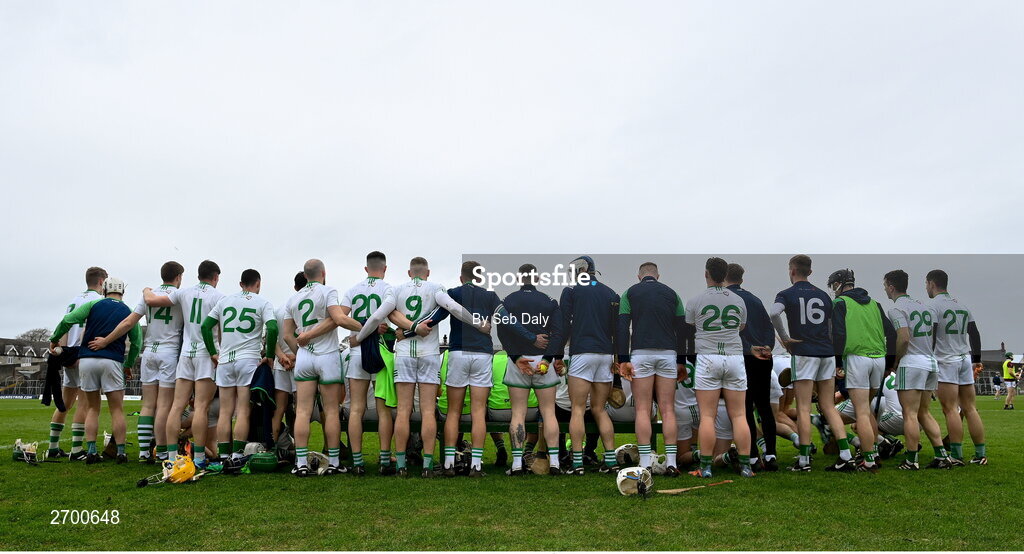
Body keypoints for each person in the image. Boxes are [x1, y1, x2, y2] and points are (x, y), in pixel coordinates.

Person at [351, 256, 489, 477]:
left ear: (409, 273)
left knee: (403, 411)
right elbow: (453, 307)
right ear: (428, 272)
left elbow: (380, 315)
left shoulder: (396, 290)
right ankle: (426, 465)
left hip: (405, 353)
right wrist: (478, 324)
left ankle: (401, 465)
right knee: (427, 412)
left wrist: (359, 337)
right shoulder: (436, 287)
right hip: (429, 354)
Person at [107, 260, 223, 468]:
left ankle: (157, 454)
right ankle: (192, 457)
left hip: (158, 352)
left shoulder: (179, 294)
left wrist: (144, 289)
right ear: (179, 277)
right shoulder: (214, 297)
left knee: (162, 406)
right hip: (189, 354)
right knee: (192, 407)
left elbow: (144, 307)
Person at [300, 251, 395, 475]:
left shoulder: (353, 289)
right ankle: (384, 460)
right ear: (385, 268)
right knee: (383, 411)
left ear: (365, 269)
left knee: (356, 409)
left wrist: (357, 333)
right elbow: (391, 320)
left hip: (357, 351)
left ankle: (358, 462)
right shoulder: (388, 288)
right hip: (380, 350)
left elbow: (338, 318)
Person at [93, 261, 184, 462]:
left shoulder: (148, 294)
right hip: (169, 353)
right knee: (163, 406)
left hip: (149, 353)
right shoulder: (180, 295)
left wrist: (106, 341)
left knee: (148, 405)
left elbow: (127, 323)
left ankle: (143, 452)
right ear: (178, 277)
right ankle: (160, 452)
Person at [771, 255, 851, 472]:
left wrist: (785, 338)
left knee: (804, 408)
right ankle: (845, 453)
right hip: (826, 353)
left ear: (792, 270)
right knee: (828, 406)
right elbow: (832, 327)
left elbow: (774, 313)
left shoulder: (786, 294)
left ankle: (804, 459)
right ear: (810, 272)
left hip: (805, 353)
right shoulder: (824, 295)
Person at [49, 278, 142, 464]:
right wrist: (128, 365)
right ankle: (121, 452)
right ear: (123, 291)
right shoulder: (128, 311)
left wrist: (55, 338)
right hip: (112, 361)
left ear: (105, 289)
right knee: (117, 410)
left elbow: (68, 320)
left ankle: (91, 451)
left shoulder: (93, 304)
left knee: (92, 408)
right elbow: (137, 343)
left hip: (87, 360)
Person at [283, 259, 362, 477]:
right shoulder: (329, 291)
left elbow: (288, 334)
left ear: (305, 275)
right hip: (327, 355)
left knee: (302, 411)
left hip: (305, 358)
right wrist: (363, 326)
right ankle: (334, 461)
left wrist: (301, 351)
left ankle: (300, 463)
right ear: (323, 273)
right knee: (331, 411)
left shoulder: (293, 297)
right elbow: (338, 319)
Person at [548, 256, 620, 475]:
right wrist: (617, 361)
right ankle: (610, 460)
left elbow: (564, 324)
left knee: (578, 409)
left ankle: (577, 462)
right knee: (599, 409)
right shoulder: (610, 293)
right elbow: (617, 330)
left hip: (582, 352)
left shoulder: (571, 291)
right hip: (605, 354)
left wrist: (558, 354)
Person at [616, 261, 687, 476]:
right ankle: (672, 462)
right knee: (667, 409)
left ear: (639, 276)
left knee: (643, 409)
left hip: (641, 353)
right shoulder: (672, 294)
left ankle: (646, 462)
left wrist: (623, 359)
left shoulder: (629, 293)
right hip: (667, 354)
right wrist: (681, 360)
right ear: (658, 275)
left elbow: (622, 328)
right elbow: (682, 330)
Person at [201, 269, 277, 467]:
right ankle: (237, 455)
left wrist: (212, 352)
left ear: (240, 283)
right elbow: (273, 328)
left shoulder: (224, 301)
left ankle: (224, 456)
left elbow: (205, 326)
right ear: (258, 284)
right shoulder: (263, 302)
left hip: (225, 360)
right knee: (242, 410)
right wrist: (269, 356)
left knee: (225, 411)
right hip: (248, 360)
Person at [685, 257, 753, 478]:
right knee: (739, 415)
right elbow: (741, 326)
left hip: (708, 358)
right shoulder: (738, 299)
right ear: (725, 275)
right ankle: (745, 466)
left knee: (707, 416)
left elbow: (690, 325)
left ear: (707, 274)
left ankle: (705, 467)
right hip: (733, 357)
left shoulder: (695, 300)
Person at [882, 269, 952, 470]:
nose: (885, 289)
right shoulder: (924, 307)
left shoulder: (896, 309)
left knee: (910, 414)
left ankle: (911, 460)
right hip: (930, 362)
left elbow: (903, 338)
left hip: (911, 363)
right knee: (924, 413)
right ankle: (942, 456)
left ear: (892, 287)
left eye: (885, 286)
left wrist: (895, 361)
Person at [828, 267, 894, 472]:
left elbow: (838, 335)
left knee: (862, 412)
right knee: (868, 411)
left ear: (839, 284)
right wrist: (890, 363)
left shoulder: (839, 303)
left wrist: (838, 363)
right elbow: (891, 335)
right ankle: (873, 452)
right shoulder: (876, 304)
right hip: (879, 359)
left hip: (857, 358)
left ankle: (869, 460)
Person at [500, 264, 562, 476]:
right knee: (549, 412)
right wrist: (547, 358)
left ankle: (517, 465)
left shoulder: (508, 300)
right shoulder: (549, 301)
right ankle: (554, 463)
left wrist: (516, 357)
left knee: (518, 413)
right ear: (536, 278)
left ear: (519, 278)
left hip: (520, 361)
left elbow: (503, 330)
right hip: (543, 362)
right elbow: (559, 332)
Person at [44, 266, 107, 460]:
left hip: (67, 354)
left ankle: (53, 447)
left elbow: (64, 325)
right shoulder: (98, 301)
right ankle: (77, 449)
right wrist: (80, 352)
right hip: (84, 355)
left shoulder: (74, 300)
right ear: (102, 282)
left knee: (65, 403)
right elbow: (87, 328)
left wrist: (61, 353)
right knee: (85, 404)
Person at [926, 269, 987, 465]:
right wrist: (976, 358)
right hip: (964, 359)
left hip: (946, 361)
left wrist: (929, 359)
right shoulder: (962, 305)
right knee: (970, 408)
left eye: (926, 284)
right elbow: (974, 333)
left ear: (932, 284)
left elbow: (932, 335)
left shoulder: (933, 306)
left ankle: (957, 455)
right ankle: (980, 455)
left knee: (950, 409)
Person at [723, 263, 778, 471]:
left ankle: (753, 456)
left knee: (744, 408)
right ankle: (771, 454)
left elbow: (730, 332)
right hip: (763, 357)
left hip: (742, 357)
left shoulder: (726, 300)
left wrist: (749, 348)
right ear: (742, 279)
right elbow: (768, 326)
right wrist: (767, 347)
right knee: (764, 407)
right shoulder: (755, 299)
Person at [272, 272, 306, 444]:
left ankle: (273, 449)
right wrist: (295, 357)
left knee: (279, 409)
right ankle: (301, 451)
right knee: (301, 409)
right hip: (302, 361)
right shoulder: (307, 306)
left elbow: (272, 338)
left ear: (294, 287)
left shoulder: (278, 309)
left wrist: (282, 356)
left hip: (281, 364)